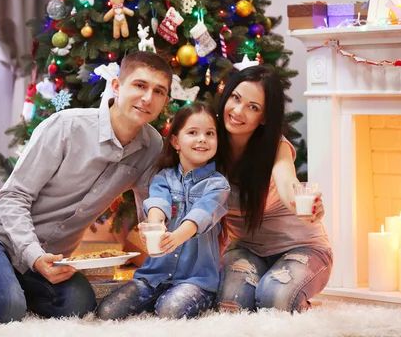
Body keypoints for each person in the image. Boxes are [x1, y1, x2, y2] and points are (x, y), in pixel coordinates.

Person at [0, 51, 173, 323]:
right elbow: (13, 196)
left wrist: (154, 231)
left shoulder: (152, 146)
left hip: (52, 258)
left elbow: (148, 201)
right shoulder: (66, 127)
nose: (147, 98)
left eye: (159, 91)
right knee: (5, 310)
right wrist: (34, 257)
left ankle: (8, 289)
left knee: (79, 304)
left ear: (164, 100)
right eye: (140, 85)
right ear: (117, 87)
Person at [215, 66, 332, 313]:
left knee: (273, 299)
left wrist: (305, 205)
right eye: (236, 98)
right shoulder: (209, 142)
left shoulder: (275, 147)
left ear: (264, 117)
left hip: (301, 246)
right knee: (231, 305)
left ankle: (296, 301)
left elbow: (288, 185)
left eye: (253, 107)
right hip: (247, 249)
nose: (238, 111)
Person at [98, 102, 230, 320]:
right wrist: (154, 226)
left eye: (209, 133)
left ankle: (173, 301)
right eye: (193, 132)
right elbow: (159, 204)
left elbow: (202, 215)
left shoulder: (218, 185)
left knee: (170, 310)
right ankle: (158, 299)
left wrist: (176, 237)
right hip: (153, 276)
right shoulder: (164, 178)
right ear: (176, 141)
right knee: (108, 311)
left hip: (196, 280)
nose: (202, 139)